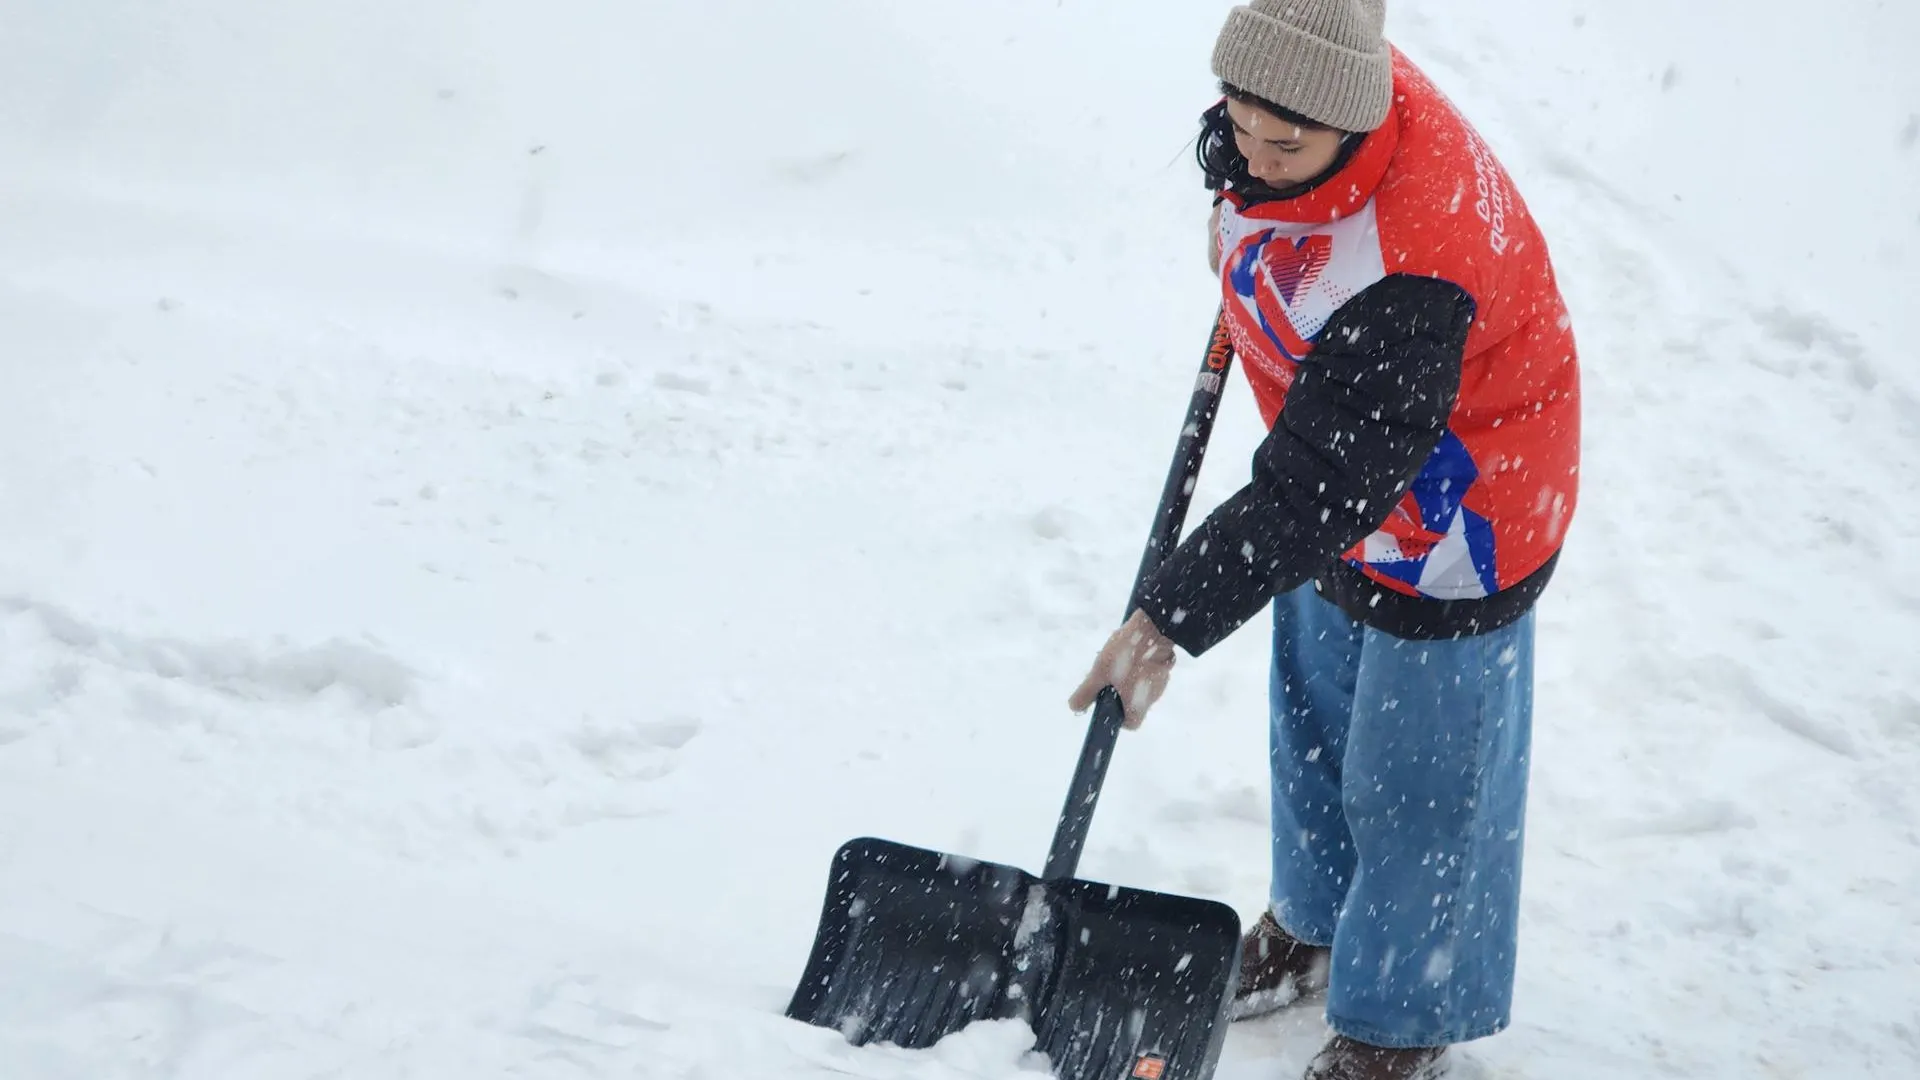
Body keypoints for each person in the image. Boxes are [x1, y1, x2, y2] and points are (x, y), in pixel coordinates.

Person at [1067, 2, 1581, 1077]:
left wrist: (1169, 613)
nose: (1252, 151)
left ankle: (1403, 1016)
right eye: (1236, 122)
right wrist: (1246, 190)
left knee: (1421, 772)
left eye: (1282, 144)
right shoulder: (1309, 96)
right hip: (1345, 451)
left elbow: (1316, 491)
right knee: (1317, 705)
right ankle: (1312, 923)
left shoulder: (1414, 268)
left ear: (1348, 120)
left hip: (1465, 504)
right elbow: (1319, 481)